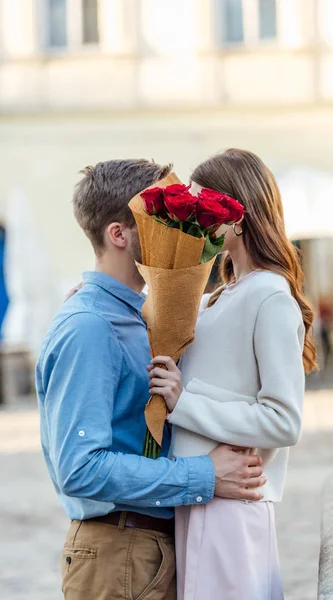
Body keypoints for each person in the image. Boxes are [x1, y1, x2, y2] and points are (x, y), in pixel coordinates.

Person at [36, 159, 267, 600]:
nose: (178, 232)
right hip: (117, 550)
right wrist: (204, 475)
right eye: (160, 221)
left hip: (145, 547)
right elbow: (80, 469)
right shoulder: (90, 325)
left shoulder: (136, 315)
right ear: (119, 234)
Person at [149, 149, 317, 599]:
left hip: (231, 506)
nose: (196, 220)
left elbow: (284, 421)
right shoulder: (217, 297)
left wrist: (186, 403)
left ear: (237, 216)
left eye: (204, 207)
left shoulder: (270, 297)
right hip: (198, 494)